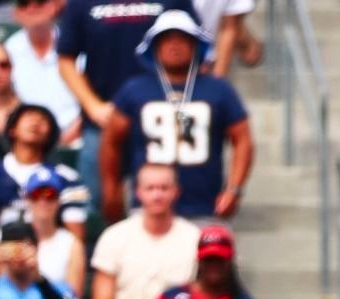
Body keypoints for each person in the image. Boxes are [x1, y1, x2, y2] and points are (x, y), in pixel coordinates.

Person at [102, 13, 252, 221]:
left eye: (182, 39)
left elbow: (243, 139)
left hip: (205, 208)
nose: (175, 45)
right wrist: (112, 188)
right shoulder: (134, 89)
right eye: (167, 39)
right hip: (147, 209)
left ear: (195, 45)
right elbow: (111, 141)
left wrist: (234, 189)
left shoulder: (219, 89)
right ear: (155, 46)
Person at [54, 0, 200, 167]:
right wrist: (93, 106)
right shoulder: (80, 4)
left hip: (162, 118)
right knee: (99, 192)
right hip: (104, 122)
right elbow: (65, 60)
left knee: (164, 190)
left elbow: (196, 50)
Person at [89, 164, 200, 299]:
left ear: (176, 191)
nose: (157, 195)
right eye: (150, 188)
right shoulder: (114, 237)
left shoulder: (194, 238)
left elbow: (200, 295)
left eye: (164, 188)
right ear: (138, 192)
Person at [0, 105, 90, 239]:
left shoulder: (67, 179)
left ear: (50, 135)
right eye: (29, 118)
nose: (35, 123)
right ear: (12, 129)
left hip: (48, 253)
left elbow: (76, 240)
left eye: (43, 121)